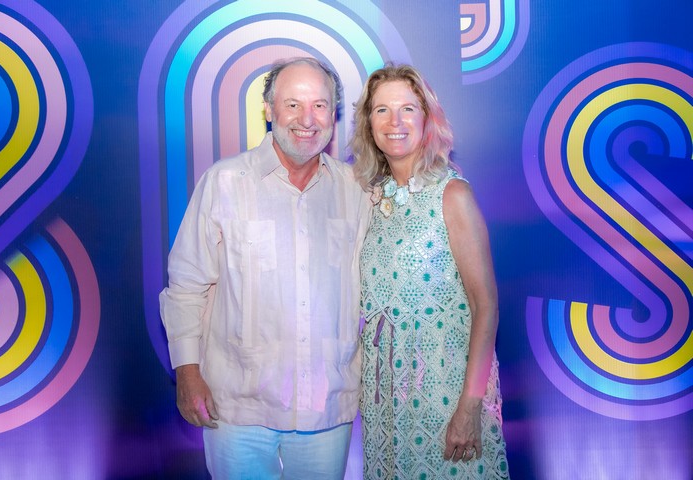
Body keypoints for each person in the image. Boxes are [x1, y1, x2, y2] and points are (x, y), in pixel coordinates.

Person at [159, 57, 370, 479]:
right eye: (292, 104)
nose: (307, 119)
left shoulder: (357, 190)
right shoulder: (223, 182)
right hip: (237, 407)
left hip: (327, 407)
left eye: (319, 105)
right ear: (269, 110)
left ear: (333, 114)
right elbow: (186, 284)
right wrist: (187, 372)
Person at [351, 64, 509, 479]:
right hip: (386, 397)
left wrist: (469, 406)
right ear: (368, 123)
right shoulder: (369, 198)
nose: (395, 122)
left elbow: (486, 307)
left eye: (407, 109)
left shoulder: (452, 194)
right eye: (382, 110)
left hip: (445, 389)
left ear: (427, 119)